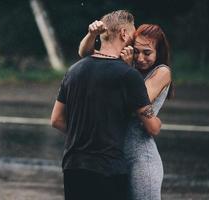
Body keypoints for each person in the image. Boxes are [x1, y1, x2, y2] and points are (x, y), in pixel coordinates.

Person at [51, 10, 162, 200]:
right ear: (124, 34)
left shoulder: (73, 70)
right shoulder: (128, 75)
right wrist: (157, 121)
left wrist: (85, 134)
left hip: (73, 167)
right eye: (133, 33)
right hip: (108, 169)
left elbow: (56, 120)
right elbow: (152, 127)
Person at [78, 20, 173, 200]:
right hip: (115, 157)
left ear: (158, 53)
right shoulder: (127, 67)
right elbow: (85, 54)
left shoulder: (162, 71)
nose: (140, 58)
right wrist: (92, 35)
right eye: (136, 51)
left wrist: (127, 68)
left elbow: (139, 98)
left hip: (141, 159)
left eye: (147, 53)